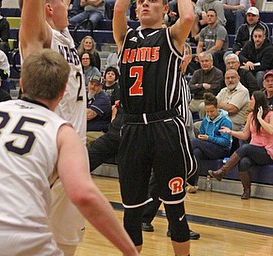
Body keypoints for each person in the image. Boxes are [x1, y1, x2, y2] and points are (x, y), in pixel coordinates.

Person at [0, 48, 138, 256]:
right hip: (20, 239)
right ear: (62, 92)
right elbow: (83, 195)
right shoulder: (63, 132)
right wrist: (130, 251)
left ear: (21, 83)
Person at [113, 0, 195, 255]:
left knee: (174, 208)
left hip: (164, 125)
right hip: (133, 125)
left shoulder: (170, 35)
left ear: (165, 10)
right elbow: (117, 9)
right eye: (140, 2)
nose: (145, 4)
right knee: (131, 211)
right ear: (135, 10)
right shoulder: (125, 37)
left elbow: (189, 16)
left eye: (152, 1)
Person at [18, 0, 88, 255]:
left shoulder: (66, 38)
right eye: (62, 1)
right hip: (49, 152)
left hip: (75, 149)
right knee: (29, 239)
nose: (68, 4)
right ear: (47, 7)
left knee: (65, 243)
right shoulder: (42, 37)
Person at [209, 90, 273, 199]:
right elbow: (245, 135)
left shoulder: (271, 114)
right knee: (243, 162)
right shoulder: (251, 115)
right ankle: (246, 190)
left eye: (251, 99)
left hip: (267, 152)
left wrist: (259, 118)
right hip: (254, 150)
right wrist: (230, 132)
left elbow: (271, 131)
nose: (249, 102)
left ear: (257, 101)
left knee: (245, 148)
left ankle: (222, 172)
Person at [190, 92, 232, 188]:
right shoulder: (206, 119)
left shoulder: (225, 121)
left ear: (217, 108)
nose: (209, 114)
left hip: (222, 149)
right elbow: (202, 133)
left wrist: (209, 138)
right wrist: (203, 137)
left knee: (195, 142)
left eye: (212, 111)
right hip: (207, 147)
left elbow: (225, 142)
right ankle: (193, 183)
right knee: (196, 151)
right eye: (207, 112)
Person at [188, 51, 223, 119]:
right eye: (202, 61)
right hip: (195, 100)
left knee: (203, 106)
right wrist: (202, 85)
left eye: (206, 61)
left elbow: (214, 90)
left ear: (211, 62)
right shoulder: (197, 73)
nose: (204, 63)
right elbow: (189, 88)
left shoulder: (218, 73)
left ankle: (203, 126)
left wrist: (197, 86)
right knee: (184, 108)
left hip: (209, 100)